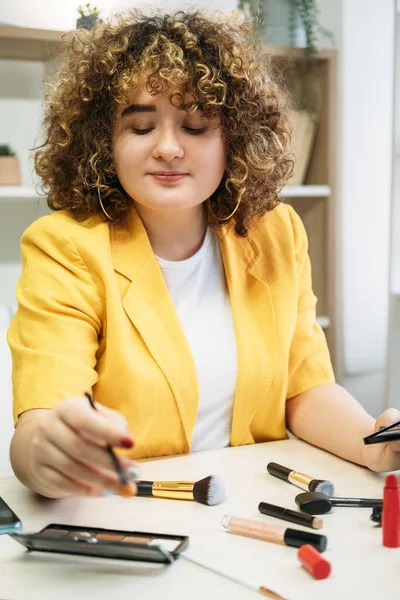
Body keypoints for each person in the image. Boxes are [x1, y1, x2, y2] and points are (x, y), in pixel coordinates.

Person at [7, 9, 400, 500]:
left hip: (253, 507)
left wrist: (370, 444)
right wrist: (49, 452)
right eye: (141, 126)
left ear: (233, 137)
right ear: (102, 142)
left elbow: (304, 388)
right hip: (130, 518)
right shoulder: (64, 247)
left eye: (195, 125)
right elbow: (40, 422)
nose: (169, 148)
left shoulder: (277, 233)